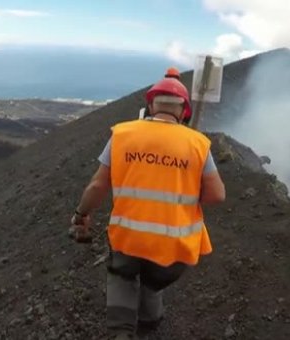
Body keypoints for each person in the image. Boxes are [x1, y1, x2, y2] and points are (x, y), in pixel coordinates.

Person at [70, 76, 226, 339]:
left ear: (151, 107)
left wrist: (81, 214)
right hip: (174, 245)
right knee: (153, 284)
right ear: (184, 111)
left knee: (122, 274)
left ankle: (121, 332)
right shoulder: (198, 144)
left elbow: (97, 186)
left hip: (128, 238)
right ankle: (149, 323)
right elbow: (217, 195)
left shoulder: (123, 135)